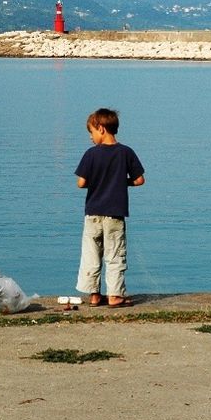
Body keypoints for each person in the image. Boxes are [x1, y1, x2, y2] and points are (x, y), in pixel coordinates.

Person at [75, 108, 145, 307]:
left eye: (92, 132)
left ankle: (95, 295)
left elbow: (81, 183)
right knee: (114, 255)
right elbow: (140, 180)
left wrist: (96, 182)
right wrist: (123, 183)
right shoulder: (126, 152)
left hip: (93, 214)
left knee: (91, 254)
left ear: (101, 128)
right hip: (115, 214)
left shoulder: (91, 154)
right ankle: (115, 295)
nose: (91, 137)